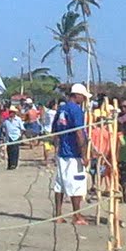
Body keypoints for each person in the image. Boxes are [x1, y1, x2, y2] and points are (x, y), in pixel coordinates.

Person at [51, 84, 89, 226]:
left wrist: (57, 146)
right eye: (83, 96)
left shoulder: (62, 109)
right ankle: (76, 215)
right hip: (73, 152)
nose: (84, 99)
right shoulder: (76, 110)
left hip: (62, 152)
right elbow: (79, 133)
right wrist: (84, 154)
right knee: (76, 184)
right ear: (77, 95)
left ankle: (58, 214)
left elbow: (54, 130)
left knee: (60, 183)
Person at [1, 105, 25, 170]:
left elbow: (22, 129)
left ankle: (14, 164)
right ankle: (10, 164)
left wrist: (20, 136)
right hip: (9, 138)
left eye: (12, 112)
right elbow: (3, 128)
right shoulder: (6, 120)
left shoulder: (18, 120)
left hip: (16, 137)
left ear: (14, 113)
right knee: (9, 151)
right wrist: (4, 136)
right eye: (10, 112)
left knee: (15, 151)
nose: (11, 113)